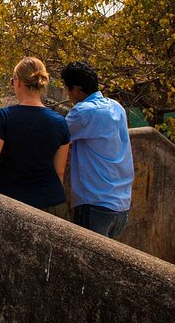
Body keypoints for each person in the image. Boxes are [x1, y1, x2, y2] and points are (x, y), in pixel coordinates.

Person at [0, 57, 71, 219]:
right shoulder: (60, 121)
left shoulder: (5, 117)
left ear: (18, 81)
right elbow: (59, 171)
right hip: (55, 204)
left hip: (18, 207)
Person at [61, 61, 134, 239]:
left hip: (96, 204)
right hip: (122, 204)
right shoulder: (116, 107)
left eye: (68, 90)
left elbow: (56, 134)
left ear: (76, 89)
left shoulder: (83, 113)